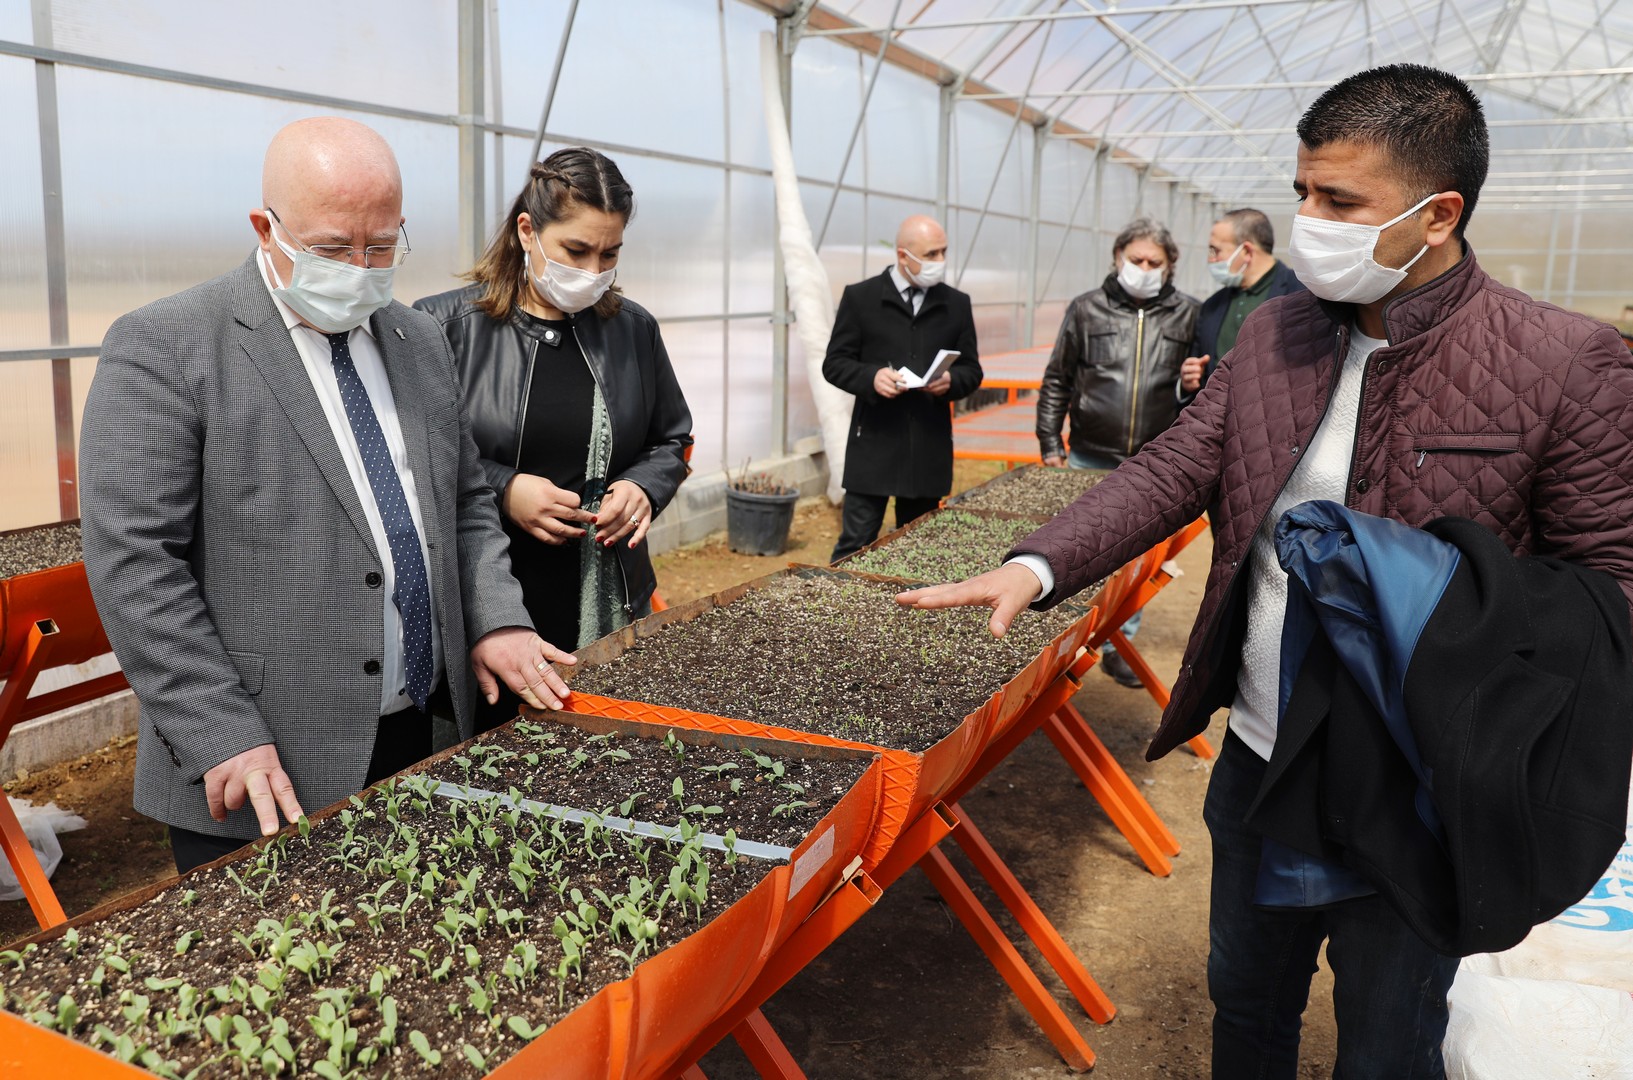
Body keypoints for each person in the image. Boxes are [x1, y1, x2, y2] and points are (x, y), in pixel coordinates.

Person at [899, 63, 1633, 1080]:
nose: (1306, 221)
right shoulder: (1277, 333)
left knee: (1387, 1039)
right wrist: (1035, 565)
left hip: (1414, 786)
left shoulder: (1562, 363)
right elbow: (1177, 465)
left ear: (1437, 215)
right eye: (1300, 192)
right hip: (1259, 754)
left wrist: (1451, 622)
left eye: (1338, 201)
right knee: (1244, 1009)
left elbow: (1608, 587)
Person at [79, 118, 574, 875]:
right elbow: (136, 564)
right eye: (334, 248)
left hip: (418, 723)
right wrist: (219, 729)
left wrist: (495, 617)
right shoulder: (169, 345)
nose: (361, 268)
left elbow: (465, 500)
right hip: (266, 749)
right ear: (264, 227)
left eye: (381, 247)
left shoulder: (416, 340)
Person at [415, 148, 692, 732]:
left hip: (604, 593)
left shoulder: (632, 329)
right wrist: (505, 489)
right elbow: (415, 460)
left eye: (609, 253)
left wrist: (642, 487)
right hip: (490, 602)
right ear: (527, 231)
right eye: (575, 250)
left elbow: (671, 439)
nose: (593, 271)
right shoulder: (445, 329)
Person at [1035, 218, 1199, 687]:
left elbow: (1202, 388)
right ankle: (1069, 641)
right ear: (1117, 258)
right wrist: (1051, 443)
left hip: (1154, 460)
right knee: (1079, 546)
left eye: (1155, 262)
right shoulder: (1087, 309)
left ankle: (1117, 641)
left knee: (1137, 560)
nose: (1144, 269)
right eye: (1136, 260)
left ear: (1169, 268)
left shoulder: (1188, 314)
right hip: (1089, 453)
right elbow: (1058, 378)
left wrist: (1191, 388)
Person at [823, 214, 983, 563]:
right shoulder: (861, 298)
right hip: (874, 446)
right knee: (855, 544)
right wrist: (871, 377)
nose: (940, 262)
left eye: (943, 252)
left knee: (917, 547)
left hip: (927, 445)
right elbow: (834, 363)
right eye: (931, 254)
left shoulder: (956, 304)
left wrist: (951, 381)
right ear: (903, 256)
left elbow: (972, 370)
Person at [1179, 207, 1305, 402]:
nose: (1211, 259)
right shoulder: (1212, 307)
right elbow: (1198, 376)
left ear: (1246, 251)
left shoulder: (1302, 295)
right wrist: (1187, 383)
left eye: (1216, 250)